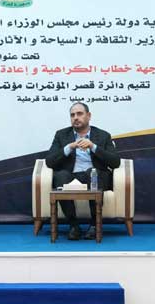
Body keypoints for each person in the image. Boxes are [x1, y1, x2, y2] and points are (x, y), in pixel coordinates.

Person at [45, 102, 121, 240]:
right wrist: (69, 147)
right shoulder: (61, 135)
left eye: (79, 114)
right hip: (71, 175)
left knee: (93, 172)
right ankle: (74, 226)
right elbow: (49, 161)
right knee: (60, 176)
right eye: (72, 115)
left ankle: (94, 225)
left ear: (89, 116)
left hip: (95, 175)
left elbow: (115, 162)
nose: (75, 117)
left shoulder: (103, 135)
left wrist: (93, 147)